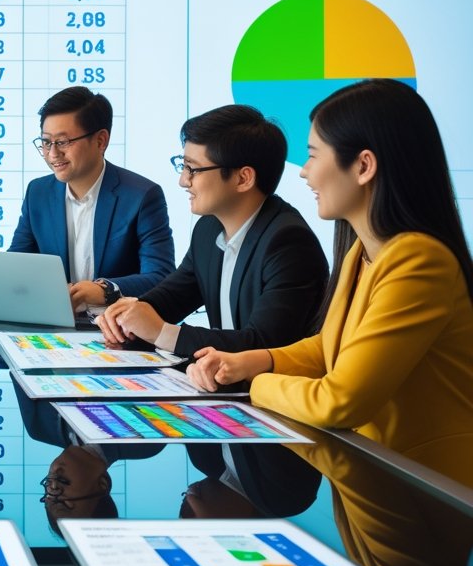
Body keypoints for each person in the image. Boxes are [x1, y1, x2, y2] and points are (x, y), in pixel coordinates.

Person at [188, 80, 473, 486]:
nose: (304, 172)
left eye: (312, 155)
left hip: (430, 493)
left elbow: (339, 402)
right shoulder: (361, 251)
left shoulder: (419, 260)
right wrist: (255, 360)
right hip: (377, 479)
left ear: (363, 166)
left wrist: (255, 383)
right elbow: (331, 346)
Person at [97, 105, 328, 357]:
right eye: (182, 166)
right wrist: (126, 316)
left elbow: (265, 345)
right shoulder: (208, 229)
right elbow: (172, 297)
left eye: (193, 169)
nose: (183, 181)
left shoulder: (289, 243)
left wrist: (161, 333)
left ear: (243, 178)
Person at [10, 86, 173, 313]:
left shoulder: (142, 196)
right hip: (54, 327)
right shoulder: (38, 192)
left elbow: (161, 277)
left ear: (100, 141)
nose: (53, 154)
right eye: (46, 142)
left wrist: (107, 290)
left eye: (63, 142)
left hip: (118, 327)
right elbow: (17, 266)